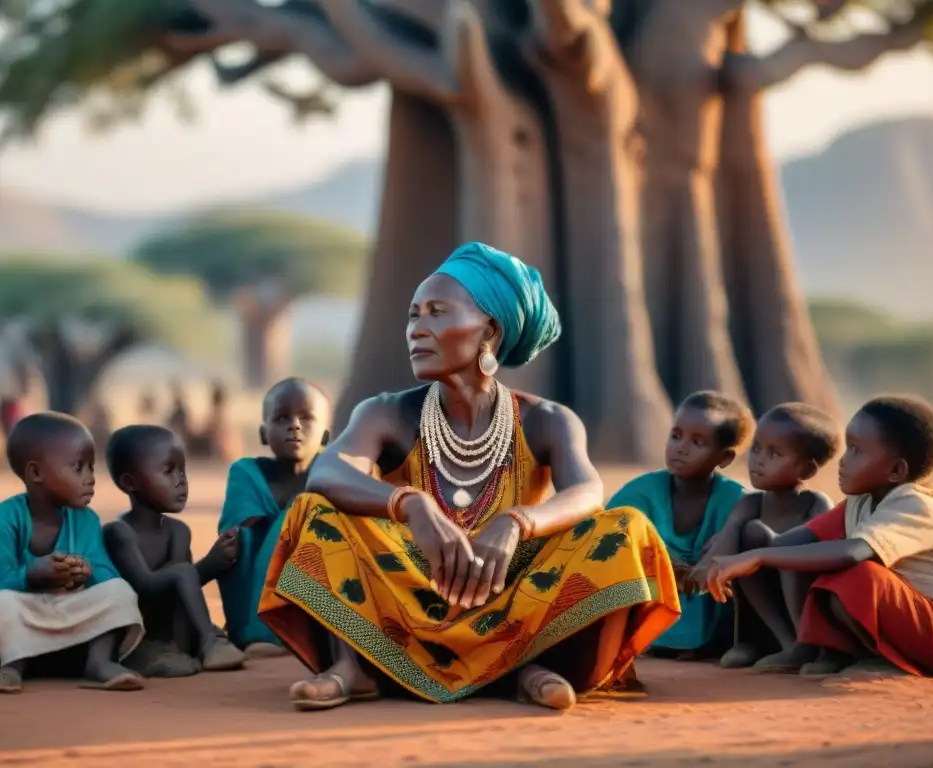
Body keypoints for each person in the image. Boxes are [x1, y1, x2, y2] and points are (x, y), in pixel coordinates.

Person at [257, 242, 681, 712]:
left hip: (514, 590)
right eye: (413, 315)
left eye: (437, 313)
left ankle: (532, 665)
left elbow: (587, 491)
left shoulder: (547, 419)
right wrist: (410, 505)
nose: (417, 329)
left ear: (490, 330)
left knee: (627, 530)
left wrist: (516, 523)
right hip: (412, 588)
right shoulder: (385, 412)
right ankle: (353, 667)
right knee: (313, 512)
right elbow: (329, 469)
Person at [706, 396, 933, 678]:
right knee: (800, 553)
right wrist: (736, 553)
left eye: (855, 451)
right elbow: (788, 543)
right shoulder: (860, 502)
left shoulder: (916, 504)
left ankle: (883, 660)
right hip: (907, 619)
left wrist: (757, 556)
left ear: (896, 471)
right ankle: (807, 646)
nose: (842, 462)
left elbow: (851, 553)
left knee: (857, 573)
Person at [0, 412, 145, 694]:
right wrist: (30, 575)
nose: (91, 478)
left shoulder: (86, 520)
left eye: (92, 467)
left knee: (120, 592)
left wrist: (87, 572)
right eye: (79, 467)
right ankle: (12, 665)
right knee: (1, 605)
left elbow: (106, 574)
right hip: (24, 616)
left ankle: (98, 661)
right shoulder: (6, 517)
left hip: (67, 617)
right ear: (36, 473)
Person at [607, 392, 753, 659]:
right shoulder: (640, 492)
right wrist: (670, 565)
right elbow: (606, 537)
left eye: (698, 442)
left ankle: (722, 644)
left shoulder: (736, 500)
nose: (681, 448)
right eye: (676, 436)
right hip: (647, 599)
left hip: (713, 607)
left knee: (747, 542)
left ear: (725, 458)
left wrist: (727, 541)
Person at [695, 404, 837, 669]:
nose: (758, 459)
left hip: (807, 602)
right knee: (751, 534)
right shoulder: (750, 505)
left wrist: (772, 551)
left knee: (791, 545)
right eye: (757, 448)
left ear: (805, 471)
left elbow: (828, 553)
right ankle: (779, 643)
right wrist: (712, 561)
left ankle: (809, 645)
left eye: (774, 453)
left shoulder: (814, 503)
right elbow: (720, 556)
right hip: (766, 607)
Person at [103, 425, 246, 676]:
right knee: (178, 571)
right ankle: (203, 643)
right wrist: (204, 566)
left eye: (183, 471)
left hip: (171, 630)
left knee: (179, 572)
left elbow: (180, 589)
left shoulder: (178, 531)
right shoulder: (119, 533)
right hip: (137, 630)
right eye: (168, 471)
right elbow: (145, 586)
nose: (181, 481)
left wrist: (212, 564)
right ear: (129, 482)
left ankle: (183, 646)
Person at [217, 378, 331, 656]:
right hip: (255, 590)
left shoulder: (333, 472)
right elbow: (237, 530)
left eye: (307, 418)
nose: (294, 425)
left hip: (313, 582)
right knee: (242, 536)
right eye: (281, 417)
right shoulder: (246, 472)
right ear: (263, 434)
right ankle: (258, 631)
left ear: (326, 436)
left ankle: (314, 629)